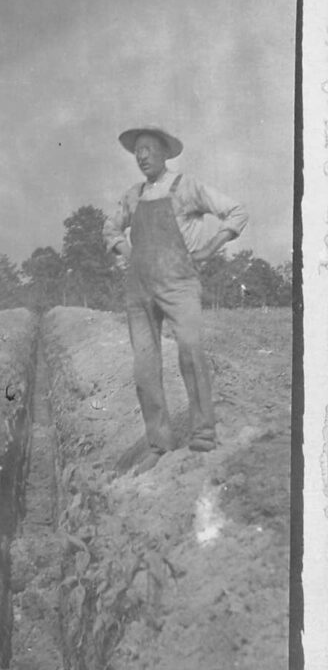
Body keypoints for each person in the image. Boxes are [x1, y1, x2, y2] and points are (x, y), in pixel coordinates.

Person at [103, 125, 248, 474]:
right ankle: (159, 443)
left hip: (180, 283)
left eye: (150, 149)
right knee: (144, 368)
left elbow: (237, 211)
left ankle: (202, 433)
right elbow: (110, 228)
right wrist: (129, 251)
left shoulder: (187, 187)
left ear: (166, 153)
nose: (143, 156)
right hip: (139, 290)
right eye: (138, 151)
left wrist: (210, 248)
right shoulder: (133, 195)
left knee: (190, 349)